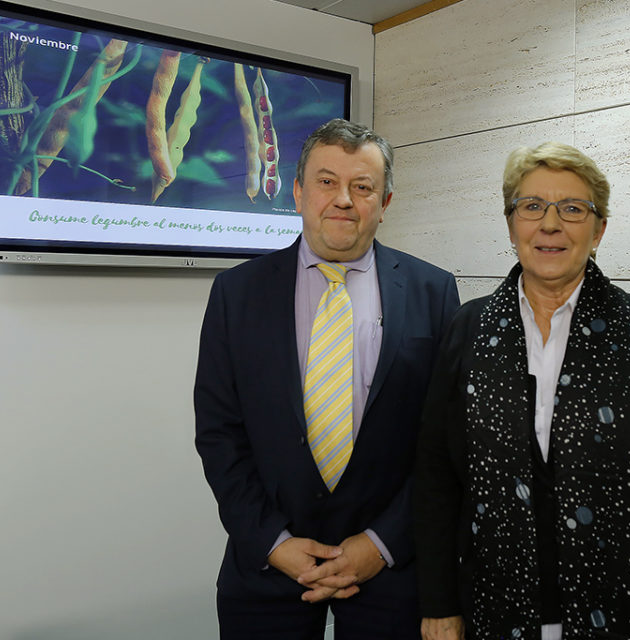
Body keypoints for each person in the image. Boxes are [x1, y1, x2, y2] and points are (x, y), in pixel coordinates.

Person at [414, 142, 630, 640]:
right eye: (532, 207)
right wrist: (439, 604)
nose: (550, 224)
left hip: (618, 611)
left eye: (573, 209)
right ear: (512, 226)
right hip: (492, 607)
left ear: (599, 230)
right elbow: (436, 478)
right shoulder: (469, 328)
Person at [195, 118, 460, 639]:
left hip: (392, 571)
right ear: (296, 192)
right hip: (268, 567)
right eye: (325, 181)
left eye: (362, 187)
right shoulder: (236, 293)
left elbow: (445, 441)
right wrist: (273, 542)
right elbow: (220, 434)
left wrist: (382, 543)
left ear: (383, 203)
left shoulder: (434, 291)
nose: (343, 199)